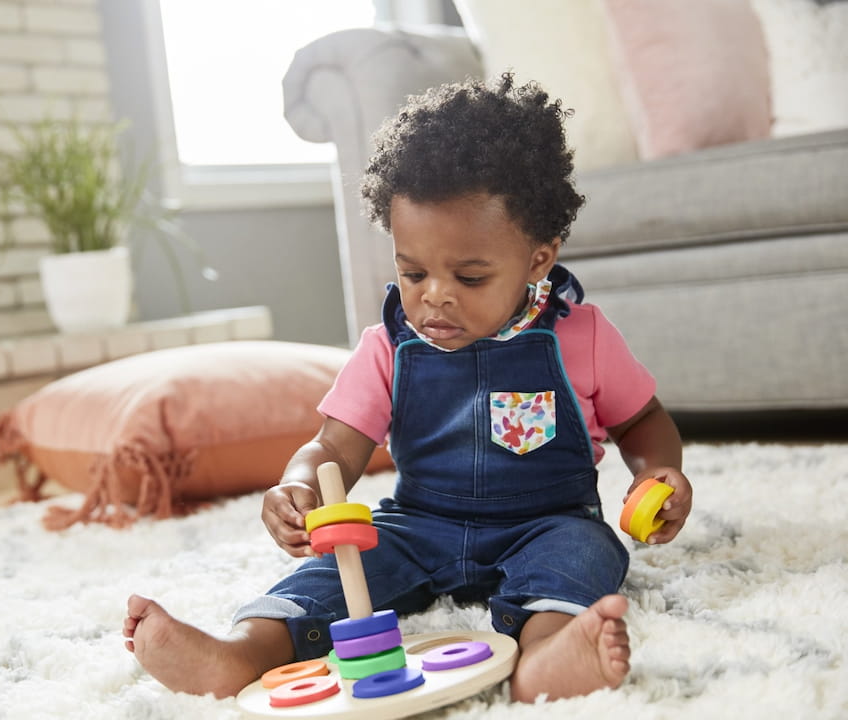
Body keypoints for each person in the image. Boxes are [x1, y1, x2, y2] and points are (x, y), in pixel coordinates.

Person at [123, 74, 693, 703]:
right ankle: (243, 651)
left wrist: (658, 473)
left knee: (582, 555)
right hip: (418, 524)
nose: (435, 296)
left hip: (547, 521)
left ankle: (547, 656)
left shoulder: (579, 335)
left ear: (538, 258)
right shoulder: (388, 347)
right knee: (336, 572)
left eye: (470, 276)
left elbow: (642, 421)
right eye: (413, 272)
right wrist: (299, 482)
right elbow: (333, 448)